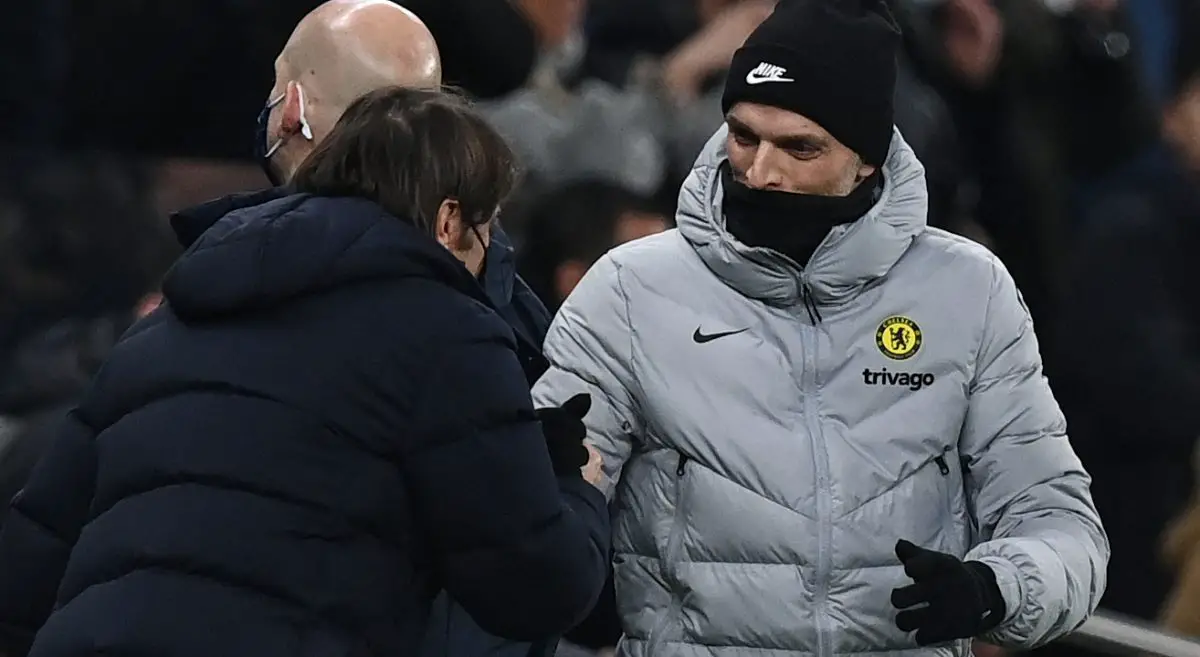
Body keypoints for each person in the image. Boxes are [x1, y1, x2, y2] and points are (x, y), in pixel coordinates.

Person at [531, 1, 1109, 656]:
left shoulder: (968, 293)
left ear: (866, 158)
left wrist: (995, 587)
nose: (761, 171)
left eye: (799, 147)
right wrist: (528, 483)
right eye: (744, 136)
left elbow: (1063, 526)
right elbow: (541, 548)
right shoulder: (631, 291)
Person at [0, 85, 610, 657]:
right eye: (487, 231)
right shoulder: (450, 328)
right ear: (450, 221)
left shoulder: (167, 321)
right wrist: (573, 489)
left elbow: (33, 554)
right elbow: (533, 585)